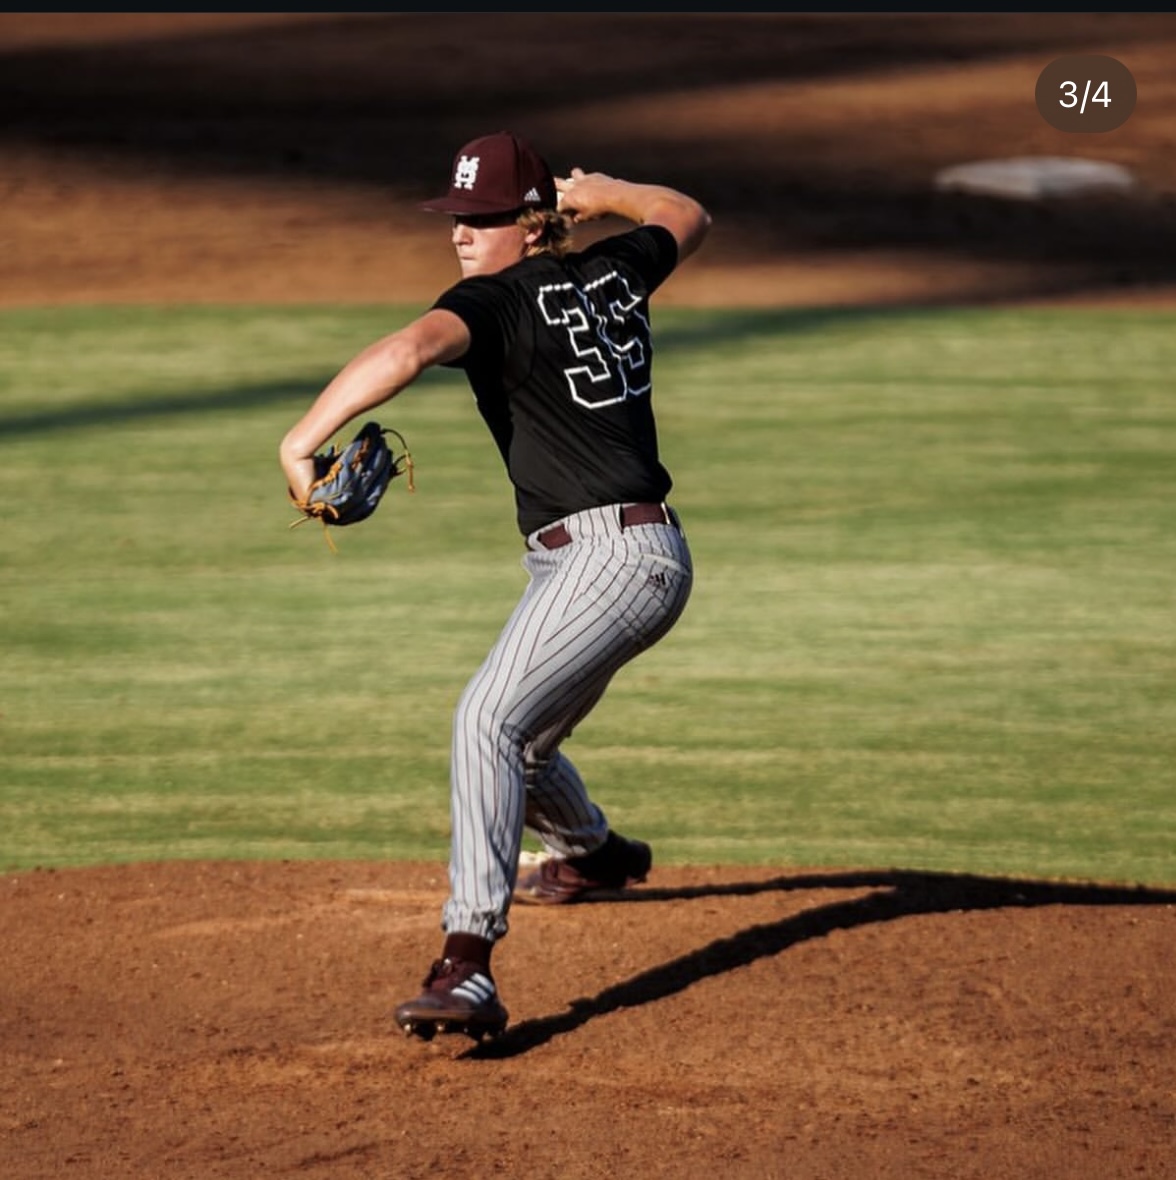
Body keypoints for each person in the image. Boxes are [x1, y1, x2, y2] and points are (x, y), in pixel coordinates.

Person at [279, 131, 711, 1041]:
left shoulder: (497, 301)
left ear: (529, 221)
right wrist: (611, 190)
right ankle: (591, 853)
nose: (461, 234)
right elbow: (684, 214)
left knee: (487, 719)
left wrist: (298, 440)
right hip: (625, 556)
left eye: (480, 218)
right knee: (521, 742)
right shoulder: (614, 270)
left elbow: (406, 349)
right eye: (455, 217)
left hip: (610, 559)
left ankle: (467, 962)